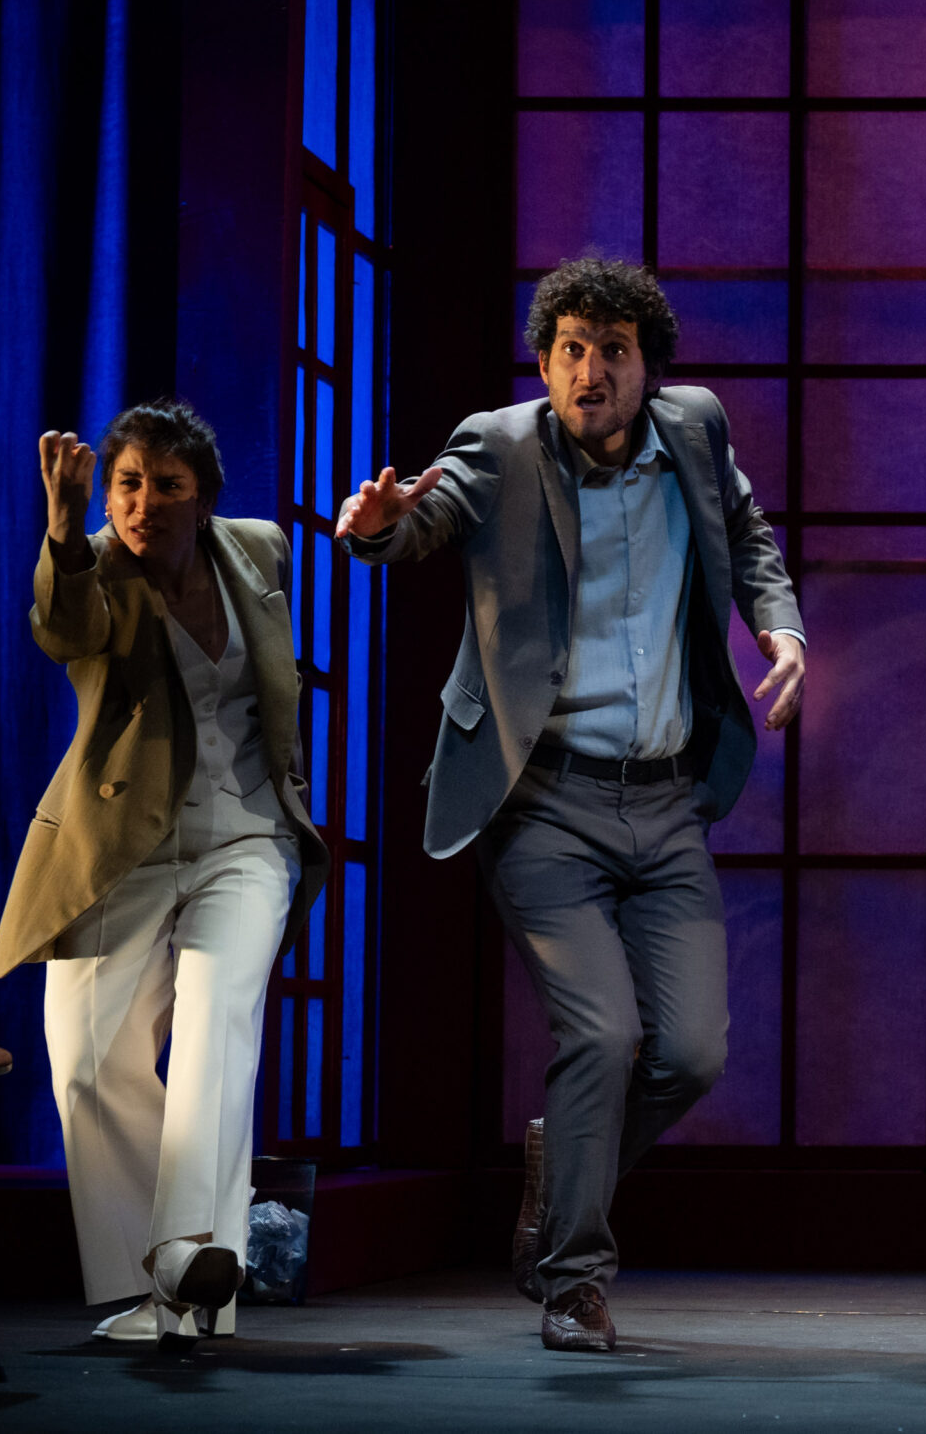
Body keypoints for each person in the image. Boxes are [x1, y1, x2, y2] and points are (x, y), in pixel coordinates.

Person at [335, 258, 805, 1354]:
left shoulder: (696, 429)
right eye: (571, 351)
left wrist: (779, 628)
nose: (592, 372)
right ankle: (575, 1282)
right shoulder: (498, 445)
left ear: (650, 367)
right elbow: (423, 521)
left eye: (614, 351)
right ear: (544, 364)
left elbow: (747, 537)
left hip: (667, 801)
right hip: (542, 798)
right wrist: (377, 526)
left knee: (690, 1053)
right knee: (600, 1033)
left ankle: (562, 1174)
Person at [0, 400, 326, 1351]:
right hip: (123, 844)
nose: (143, 503)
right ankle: (166, 1279)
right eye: (127, 484)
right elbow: (66, 629)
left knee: (219, 1017)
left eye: (167, 486)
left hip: (246, 836)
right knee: (86, 1060)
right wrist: (63, 527)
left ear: (205, 498)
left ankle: (187, 1258)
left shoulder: (258, 549)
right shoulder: (91, 566)